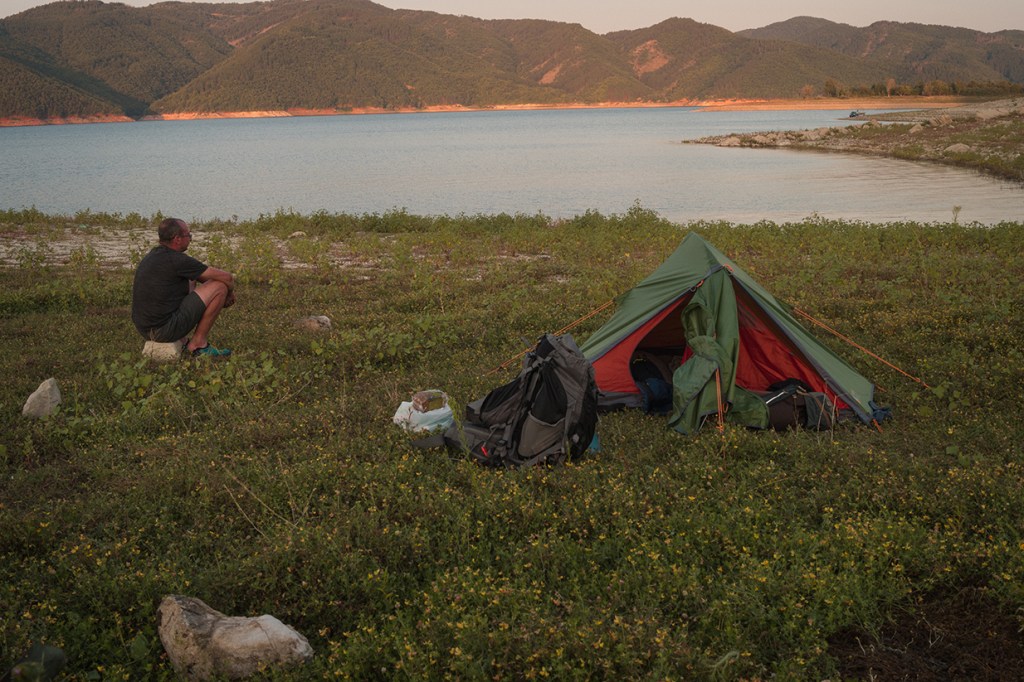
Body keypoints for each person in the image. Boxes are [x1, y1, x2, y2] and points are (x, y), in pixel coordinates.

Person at [131, 218, 235, 357]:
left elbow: (201, 276)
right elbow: (227, 278)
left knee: (192, 277)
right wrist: (228, 293)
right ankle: (198, 343)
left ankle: (183, 341)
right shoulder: (177, 260)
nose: (190, 239)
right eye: (188, 235)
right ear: (177, 239)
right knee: (220, 287)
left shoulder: (153, 256)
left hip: (145, 329)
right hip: (162, 330)